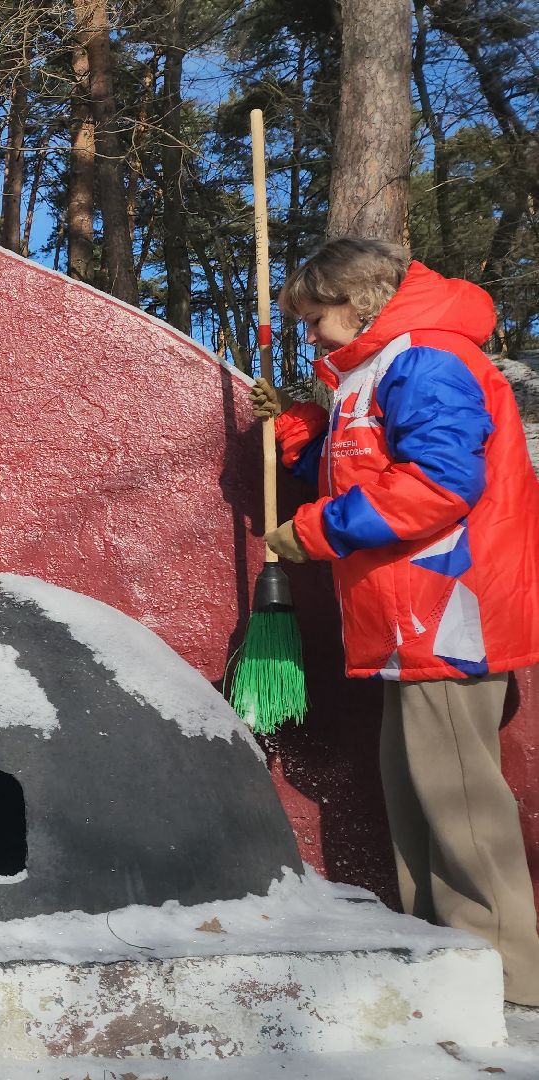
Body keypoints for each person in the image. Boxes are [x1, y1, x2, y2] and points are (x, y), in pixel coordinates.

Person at [251, 237, 539, 1006]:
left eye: (314, 318)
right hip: (403, 617)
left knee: (460, 803)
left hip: (448, 607)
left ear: (357, 302)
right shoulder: (375, 371)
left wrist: (316, 530)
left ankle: (507, 978)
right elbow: (364, 466)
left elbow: (439, 484)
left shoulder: (426, 359)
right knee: (416, 796)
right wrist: (302, 432)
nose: (308, 335)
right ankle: (443, 957)